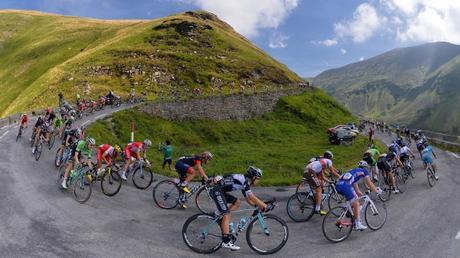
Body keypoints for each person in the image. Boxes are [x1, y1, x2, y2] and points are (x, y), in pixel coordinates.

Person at [210, 166, 270, 251]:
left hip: (219, 191)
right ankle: (226, 242)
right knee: (226, 214)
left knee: (237, 202)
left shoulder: (244, 181)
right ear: (254, 177)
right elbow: (251, 196)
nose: (258, 181)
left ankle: (221, 215)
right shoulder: (244, 181)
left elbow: (248, 199)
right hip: (217, 191)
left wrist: (257, 206)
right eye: (258, 179)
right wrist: (264, 205)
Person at [335, 161, 382, 231]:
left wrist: (363, 196)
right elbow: (370, 184)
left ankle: (340, 220)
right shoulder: (364, 171)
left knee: (355, 199)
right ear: (365, 167)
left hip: (338, 185)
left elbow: (357, 191)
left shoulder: (354, 172)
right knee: (356, 202)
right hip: (345, 186)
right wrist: (376, 190)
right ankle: (358, 224)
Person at [303, 151, 340, 215]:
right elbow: (333, 171)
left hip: (307, 171)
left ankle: (314, 199)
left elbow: (322, 176)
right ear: (330, 158)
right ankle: (317, 209)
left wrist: (330, 182)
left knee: (319, 184)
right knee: (319, 189)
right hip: (310, 172)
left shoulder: (321, 163)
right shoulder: (328, 161)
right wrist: (341, 177)